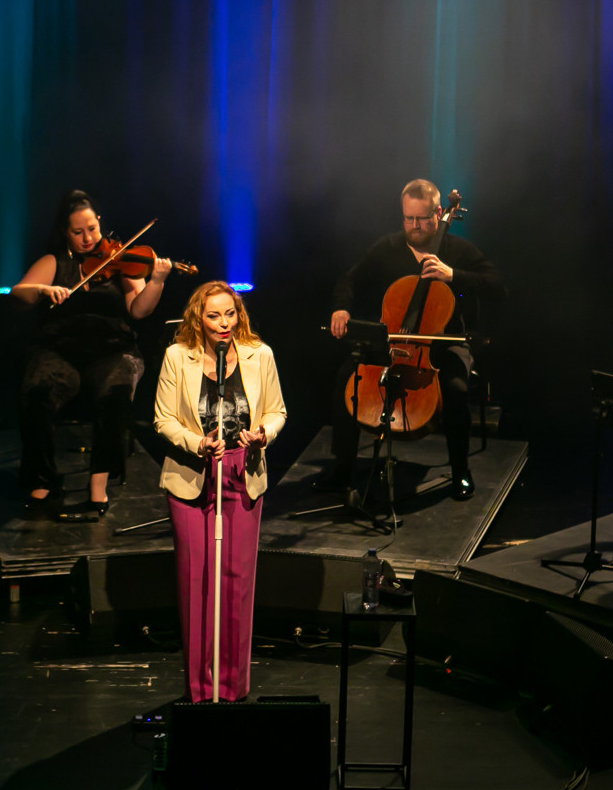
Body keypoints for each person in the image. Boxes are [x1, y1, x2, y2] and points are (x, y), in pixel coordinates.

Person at [323, 179, 503, 499]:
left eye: (422, 218)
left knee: (456, 390)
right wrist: (341, 309)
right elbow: (349, 279)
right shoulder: (388, 248)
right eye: (409, 218)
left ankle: (460, 469)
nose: (415, 226)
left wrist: (453, 275)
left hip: (445, 344)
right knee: (345, 377)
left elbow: (497, 287)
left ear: (438, 213)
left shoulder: (458, 251)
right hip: (394, 341)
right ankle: (342, 466)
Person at [153, 281, 286, 703]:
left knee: (237, 581)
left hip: (241, 473)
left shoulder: (259, 354)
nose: (224, 323)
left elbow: (277, 411)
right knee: (196, 583)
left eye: (230, 314)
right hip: (194, 475)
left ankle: (232, 688)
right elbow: (163, 419)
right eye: (214, 315)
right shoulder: (178, 356)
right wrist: (197, 443)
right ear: (199, 318)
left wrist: (264, 434)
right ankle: (199, 691)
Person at [8, 190, 173, 513]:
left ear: (100, 223)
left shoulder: (120, 260)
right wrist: (43, 289)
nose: (87, 239)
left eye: (92, 229)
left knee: (116, 392)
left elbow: (138, 311)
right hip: (59, 350)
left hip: (112, 349)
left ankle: (98, 483)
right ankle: (43, 481)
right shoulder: (54, 262)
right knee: (36, 393)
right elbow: (17, 295)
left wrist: (157, 281)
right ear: (64, 232)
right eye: (77, 232)